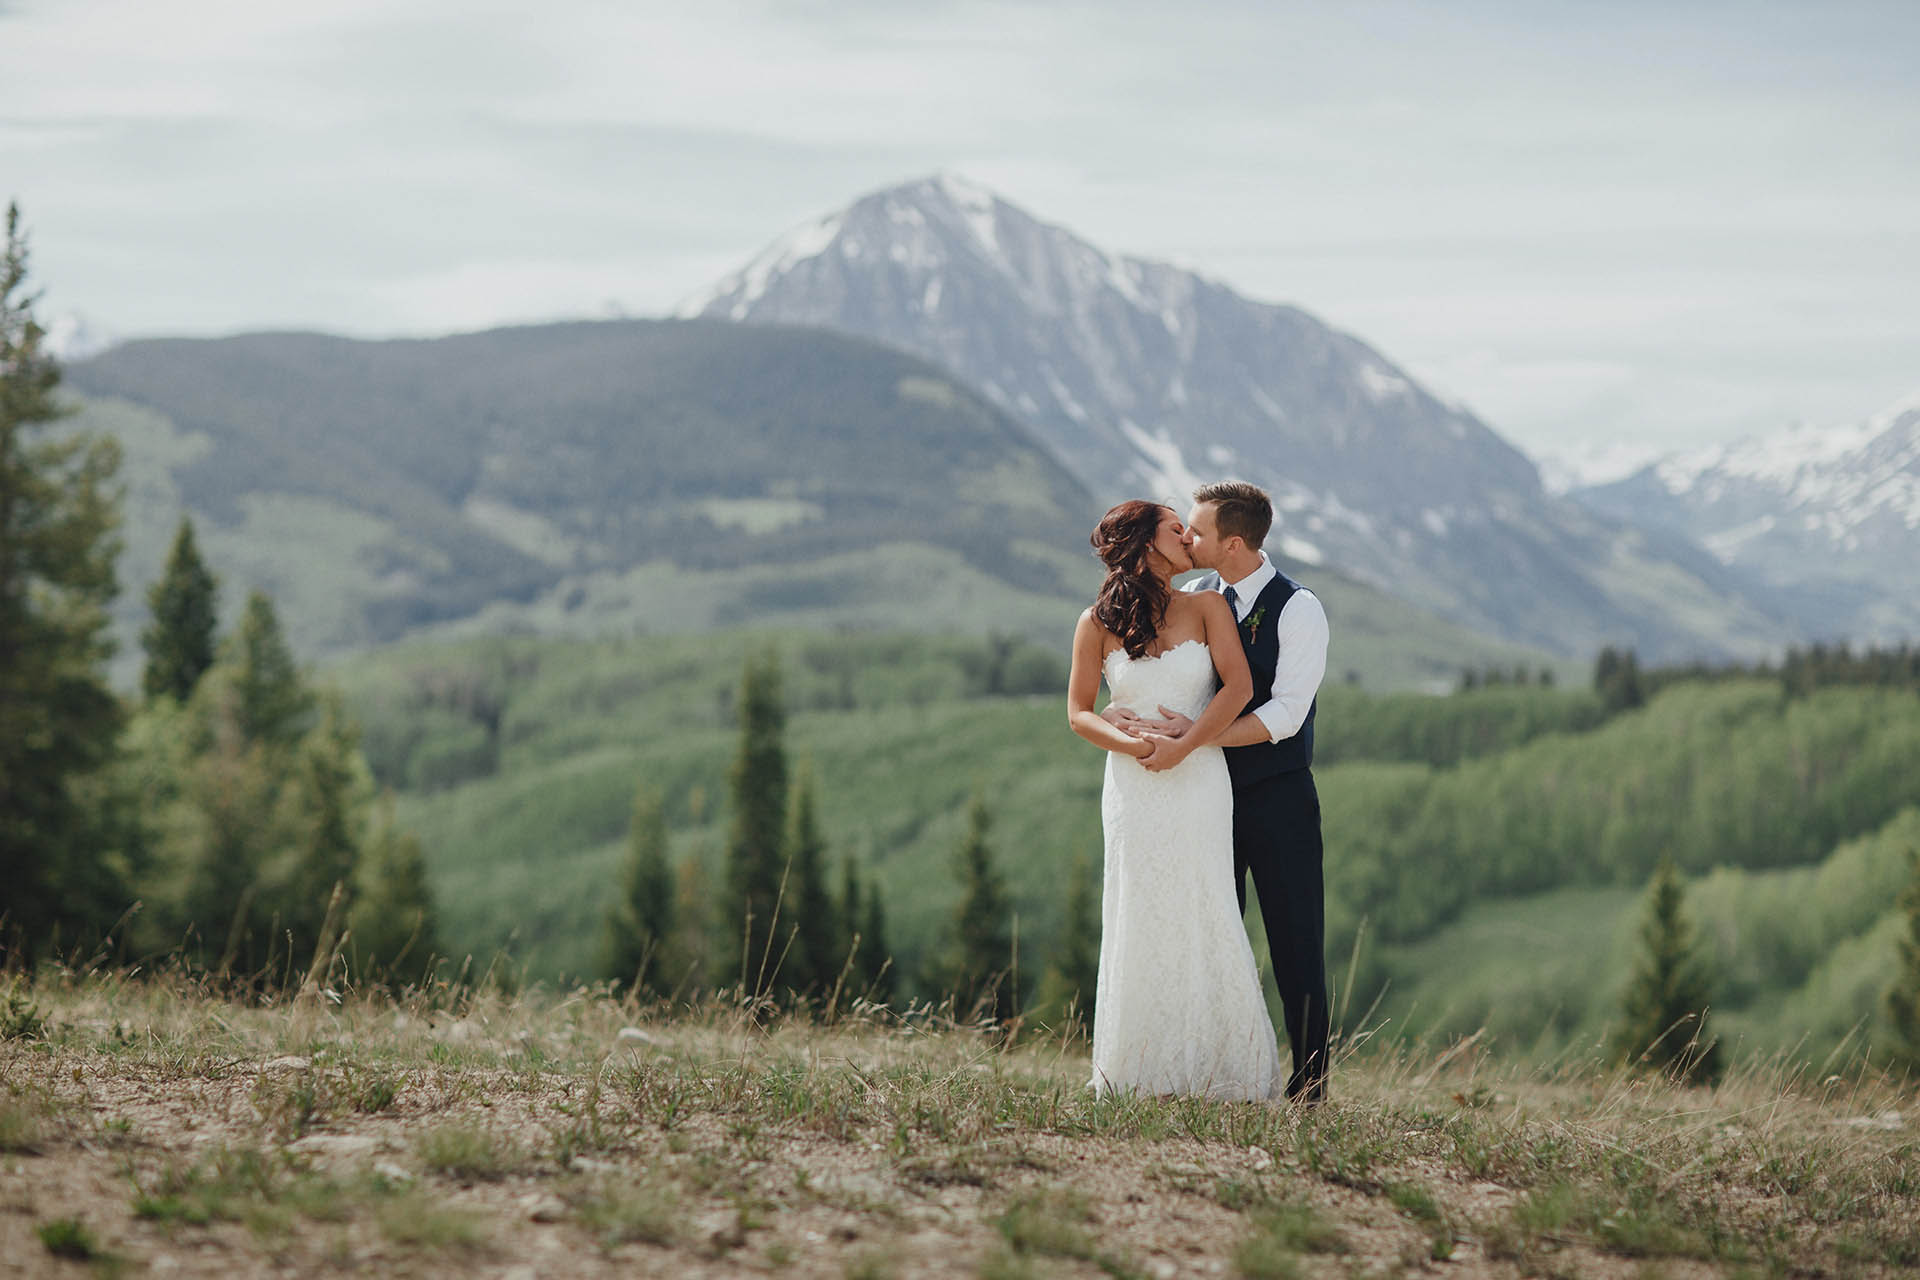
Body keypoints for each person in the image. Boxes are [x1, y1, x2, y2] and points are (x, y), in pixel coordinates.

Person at [1108, 482, 1331, 1103]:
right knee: (1211, 932)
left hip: (1279, 794)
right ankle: (1211, 1069)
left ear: (1232, 542)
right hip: (1203, 798)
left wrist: (1198, 741)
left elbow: (1287, 712)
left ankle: (1310, 1084)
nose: (1187, 539)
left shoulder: (1298, 608)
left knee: (1295, 937)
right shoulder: (1201, 601)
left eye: (1198, 531)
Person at [1066, 500, 1282, 1101]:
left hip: (1199, 781)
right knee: (1139, 908)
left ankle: (1221, 1072)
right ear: (1142, 544)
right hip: (1134, 788)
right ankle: (1138, 1072)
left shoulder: (1208, 605)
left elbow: (1238, 688)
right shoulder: (1095, 622)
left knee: (1205, 903)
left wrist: (1184, 744)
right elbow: (1079, 712)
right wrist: (1135, 748)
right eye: (1173, 528)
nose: (1187, 535)